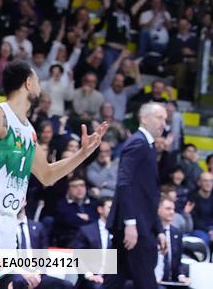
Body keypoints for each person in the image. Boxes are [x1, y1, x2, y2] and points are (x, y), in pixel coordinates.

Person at [0, 61, 107, 289]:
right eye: (37, 81)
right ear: (28, 83)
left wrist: (82, 154)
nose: (39, 86)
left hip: (8, 222)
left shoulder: (28, 130)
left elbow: (47, 174)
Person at [105, 102, 169, 289]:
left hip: (137, 224)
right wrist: (130, 223)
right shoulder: (138, 143)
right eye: (159, 117)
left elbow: (146, 195)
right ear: (144, 118)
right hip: (135, 227)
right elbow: (124, 183)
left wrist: (158, 229)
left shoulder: (147, 146)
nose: (163, 123)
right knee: (146, 282)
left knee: (114, 281)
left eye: (165, 119)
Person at [10, 207, 72, 289]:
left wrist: (37, 274)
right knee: (20, 282)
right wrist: (23, 274)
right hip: (17, 273)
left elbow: (44, 255)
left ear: (24, 202)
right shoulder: (7, 228)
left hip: (37, 273)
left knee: (66, 285)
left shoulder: (38, 227)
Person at [72, 197, 114, 289]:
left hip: (113, 279)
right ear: (100, 209)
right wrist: (89, 275)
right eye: (110, 207)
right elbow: (77, 257)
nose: (114, 210)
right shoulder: (87, 231)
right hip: (92, 279)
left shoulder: (120, 231)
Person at [52, 175, 98, 246]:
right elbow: (69, 222)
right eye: (75, 186)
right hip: (70, 241)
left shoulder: (94, 203)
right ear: (68, 189)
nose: (79, 189)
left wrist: (88, 219)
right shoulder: (62, 204)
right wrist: (90, 220)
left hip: (93, 240)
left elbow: (100, 222)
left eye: (82, 185)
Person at [155, 196, 190, 286]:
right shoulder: (149, 233)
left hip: (171, 281)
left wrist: (181, 275)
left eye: (173, 209)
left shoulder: (177, 233)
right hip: (153, 280)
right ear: (157, 210)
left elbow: (178, 261)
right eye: (168, 209)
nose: (172, 212)